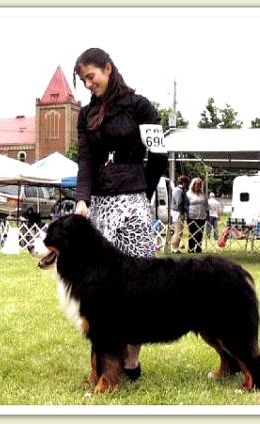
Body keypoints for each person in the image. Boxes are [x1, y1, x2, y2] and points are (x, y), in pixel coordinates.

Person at [72, 47, 168, 382]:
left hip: (134, 202)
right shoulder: (85, 115)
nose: (87, 84)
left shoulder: (142, 107)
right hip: (98, 206)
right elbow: (85, 161)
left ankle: (130, 361)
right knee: (97, 288)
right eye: (83, 79)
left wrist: (143, 190)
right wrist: (82, 199)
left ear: (108, 68)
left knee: (139, 284)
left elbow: (157, 157)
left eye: (91, 76)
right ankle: (99, 365)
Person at [186, 177, 209, 253]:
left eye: (200, 185)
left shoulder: (203, 194)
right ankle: (191, 248)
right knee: (192, 233)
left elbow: (206, 205)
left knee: (200, 233)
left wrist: (207, 215)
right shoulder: (188, 194)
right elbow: (185, 205)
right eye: (197, 185)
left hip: (202, 216)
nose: (198, 187)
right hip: (191, 216)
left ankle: (198, 248)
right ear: (193, 185)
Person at [170, 175, 190, 253]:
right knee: (178, 231)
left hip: (178, 212)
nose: (188, 184)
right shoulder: (179, 191)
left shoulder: (180, 190)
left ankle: (176, 248)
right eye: (187, 183)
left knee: (179, 232)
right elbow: (179, 203)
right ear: (184, 182)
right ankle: (174, 249)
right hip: (178, 213)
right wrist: (182, 213)